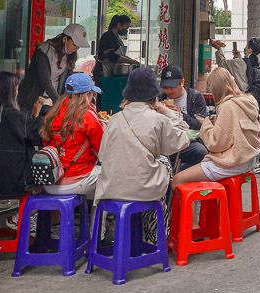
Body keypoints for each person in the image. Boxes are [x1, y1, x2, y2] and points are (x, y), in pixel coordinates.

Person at [95, 67, 191, 243]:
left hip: (111, 189)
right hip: (143, 190)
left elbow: (102, 156)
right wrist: (169, 112)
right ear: (153, 95)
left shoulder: (114, 119)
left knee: (154, 167)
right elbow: (183, 139)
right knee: (165, 167)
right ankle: (157, 236)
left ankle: (134, 235)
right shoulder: (158, 119)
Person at [0, 72, 43, 226]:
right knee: (55, 182)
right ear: (9, 92)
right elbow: (41, 133)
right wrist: (46, 109)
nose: (18, 91)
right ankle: (24, 218)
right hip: (16, 180)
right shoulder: (15, 117)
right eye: (16, 88)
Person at [173, 67, 260, 185]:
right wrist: (217, 122)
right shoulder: (247, 102)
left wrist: (206, 124)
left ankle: (195, 203)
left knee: (178, 179)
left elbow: (217, 144)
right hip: (249, 160)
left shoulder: (227, 106)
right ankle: (215, 203)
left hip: (233, 161)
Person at [40, 72, 105, 199]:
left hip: (50, 180)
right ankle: (96, 219)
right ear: (87, 95)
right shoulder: (86, 116)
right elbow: (103, 151)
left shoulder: (52, 114)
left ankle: (58, 219)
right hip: (76, 181)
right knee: (112, 176)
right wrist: (103, 129)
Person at [18, 23, 90, 114]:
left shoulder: (70, 55)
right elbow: (45, 81)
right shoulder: (44, 51)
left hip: (51, 100)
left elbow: (69, 79)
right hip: (31, 99)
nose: (76, 49)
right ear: (65, 39)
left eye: (78, 47)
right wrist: (58, 102)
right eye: (74, 45)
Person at [159, 64, 209, 169]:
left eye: (172, 87)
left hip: (189, 141)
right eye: (165, 87)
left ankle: (182, 175)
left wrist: (178, 113)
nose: (168, 91)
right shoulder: (160, 99)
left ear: (182, 82)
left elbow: (199, 124)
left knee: (201, 152)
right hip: (166, 141)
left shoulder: (195, 97)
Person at [94, 15, 138, 80]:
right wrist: (131, 62)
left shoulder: (117, 38)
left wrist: (133, 61)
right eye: (124, 29)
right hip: (103, 71)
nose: (125, 31)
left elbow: (121, 55)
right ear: (119, 24)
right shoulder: (108, 36)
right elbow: (112, 56)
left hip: (111, 70)